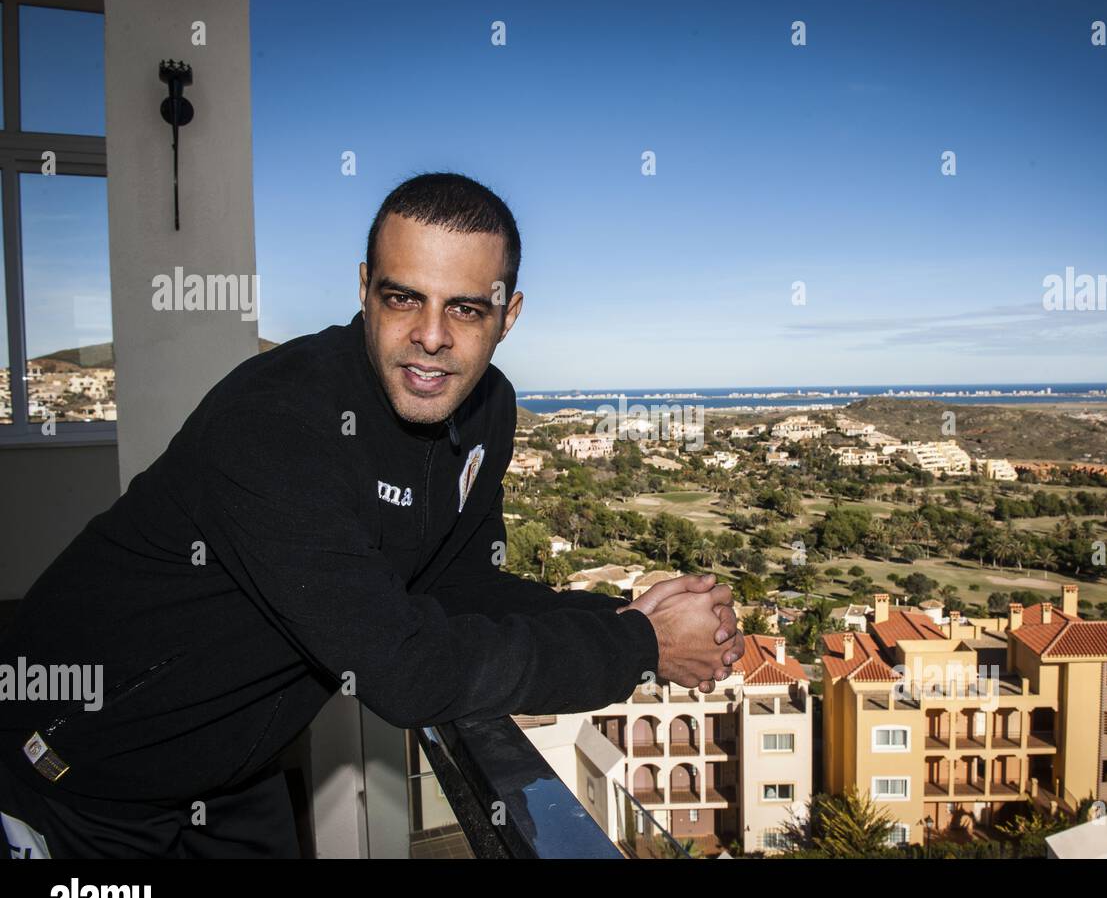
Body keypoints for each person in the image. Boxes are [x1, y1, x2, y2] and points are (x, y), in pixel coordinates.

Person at [0, 172, 742, 858]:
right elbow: (403, 670)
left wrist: (626, 615)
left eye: (465, 308)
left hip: (232, 771)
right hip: (83, 773)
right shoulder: (276, 422)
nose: (431, 335)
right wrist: (639, 647)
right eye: (402, 297)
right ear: (364, 290)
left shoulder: (488, 410)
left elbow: (462, 585)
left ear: (507, 316)